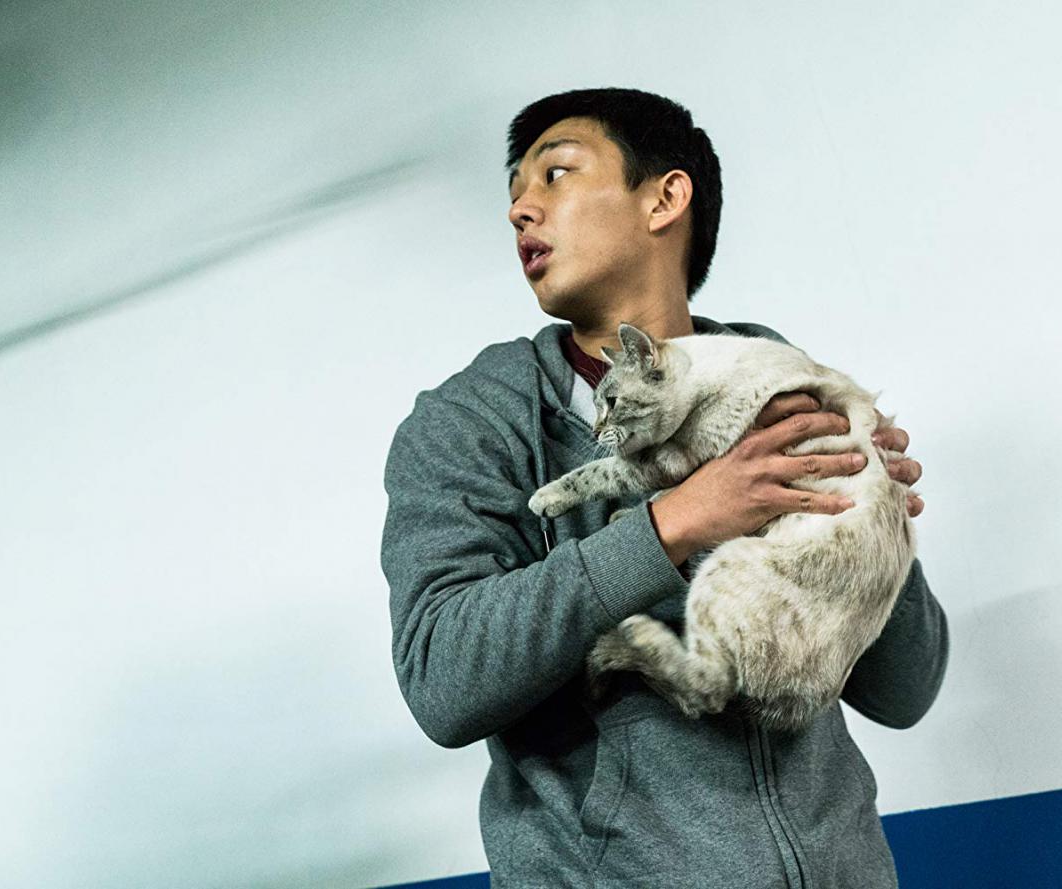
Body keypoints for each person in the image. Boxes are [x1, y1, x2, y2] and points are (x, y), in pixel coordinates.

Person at [381, 87, 948, 888]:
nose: (519, 209)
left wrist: (873, 521)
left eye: (555, 174)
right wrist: (676, 521)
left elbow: (906, 689)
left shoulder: (783, 381)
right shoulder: (472, 420)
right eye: (514, 192)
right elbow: (442, 680)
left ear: (665, 198)